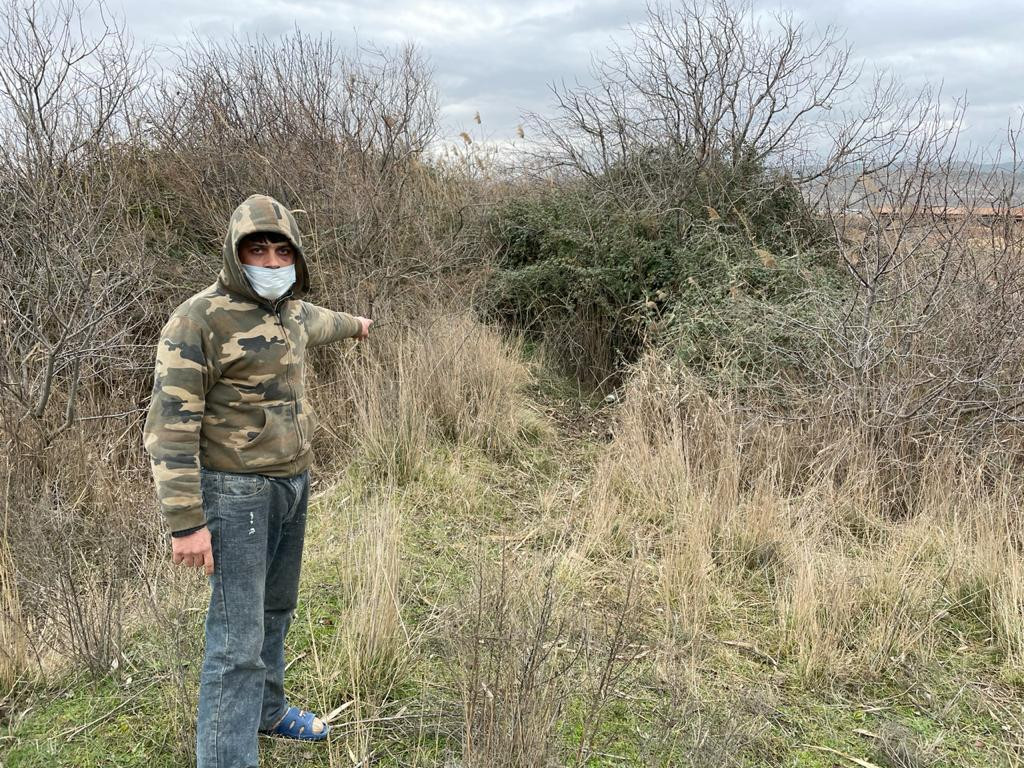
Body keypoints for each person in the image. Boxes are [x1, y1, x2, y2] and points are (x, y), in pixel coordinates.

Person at [143, 194, 372, 768]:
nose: (271, 263)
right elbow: (169, 428)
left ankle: (268, 711)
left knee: (277, 609)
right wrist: (186, 523)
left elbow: (325, 321)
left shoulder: (292, 311)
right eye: (258, 250)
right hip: (235, 494)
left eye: (282, 251)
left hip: (293, 485)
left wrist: (358, 326)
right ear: (234, 253)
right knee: (236, 640)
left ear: (296, 257)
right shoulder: (198, 319)